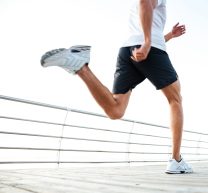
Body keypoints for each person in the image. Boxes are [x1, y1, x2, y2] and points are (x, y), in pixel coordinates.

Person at [41, 0, 193, 174]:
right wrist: (148, 42)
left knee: (116, 110)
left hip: (128, 49)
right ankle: (176, 160)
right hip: (150, 49)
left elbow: (146, 19)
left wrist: (169, 36)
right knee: (175, 99)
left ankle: (81, 67)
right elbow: (145, 2)